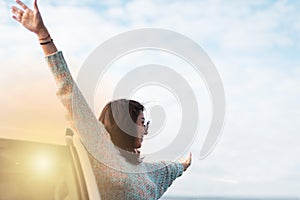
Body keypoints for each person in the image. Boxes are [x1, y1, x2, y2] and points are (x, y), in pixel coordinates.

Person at [11, 0, 192, 199]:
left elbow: (165, 169)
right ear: (126, 124)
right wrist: (43, 37)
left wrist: (182, 165)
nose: (145, 130)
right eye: (142, 123)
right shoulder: (102, 149)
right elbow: (71, 95)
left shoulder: (145, 171)